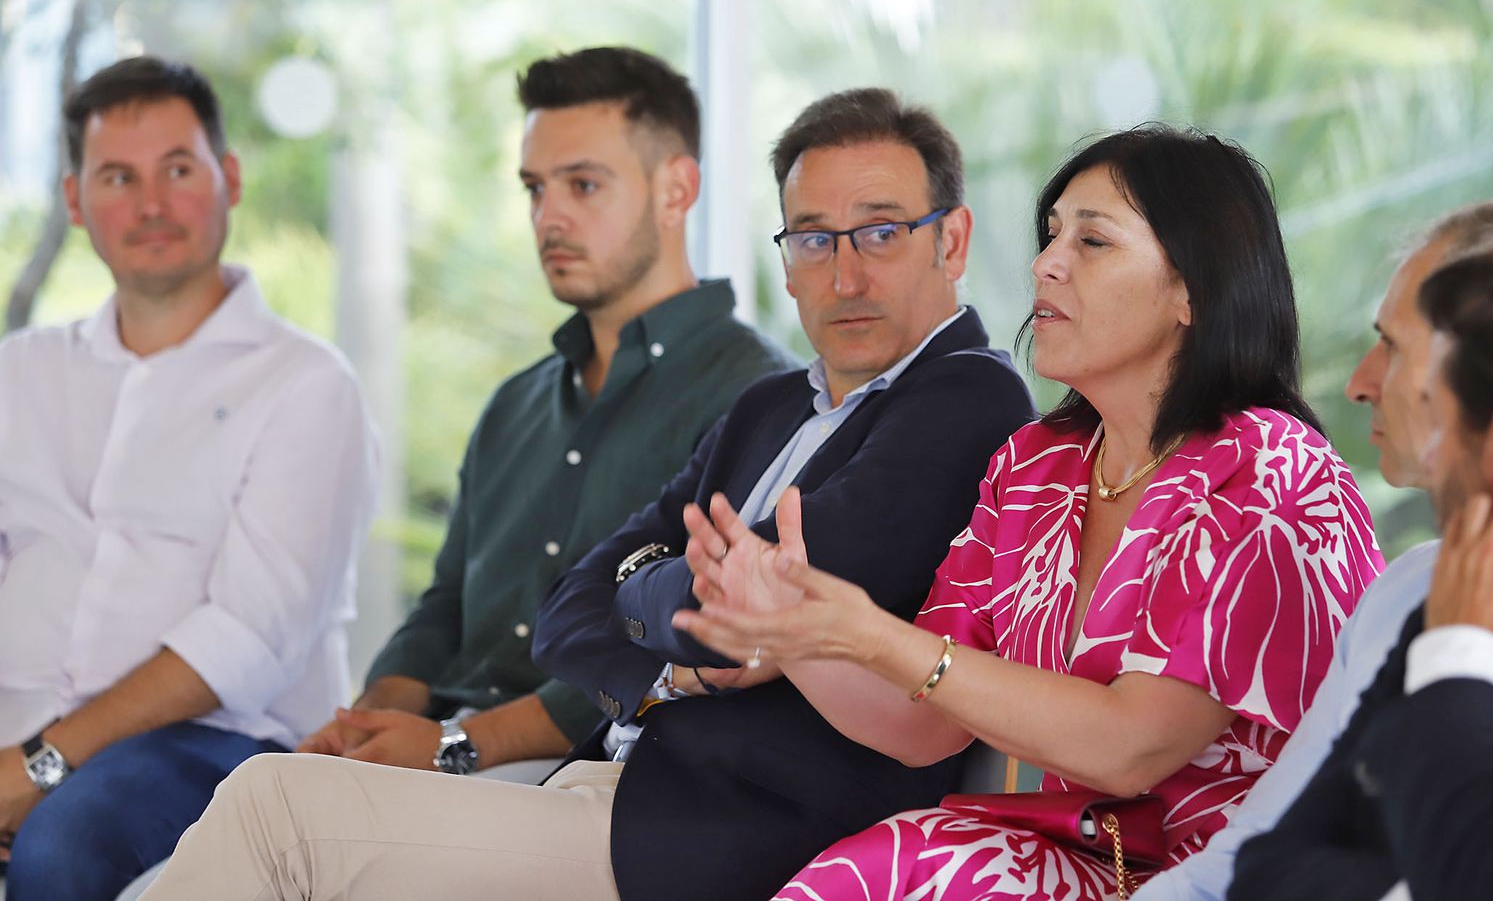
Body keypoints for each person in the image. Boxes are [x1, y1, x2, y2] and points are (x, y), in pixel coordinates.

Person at [141, 87, 1037, 901]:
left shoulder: (968, 396)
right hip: (613, 789)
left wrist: (666, 587)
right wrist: (681, 643)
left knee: (276, 809)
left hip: (733, 833)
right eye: (813, 238)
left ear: (951, 241)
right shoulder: (767, 408)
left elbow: (755, 592)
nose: (845, 276)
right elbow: (572, 603)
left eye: (881, 233)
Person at [673, 125, 1386, 900]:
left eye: (1093, 241)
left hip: (1258, 880)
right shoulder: (1035, 465)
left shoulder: (1272, 468)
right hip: (1099, 867)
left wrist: (873, 634)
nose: (1047, 263)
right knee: (887, 865)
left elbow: (1131, 747)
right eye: (1052, 236)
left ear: (1192, 289)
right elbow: (921, 726)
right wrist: (800, 632)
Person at [294, 46, 792, 779]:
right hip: (449, 755)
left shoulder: (758, 398)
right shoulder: (515, 405)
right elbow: (446, 606)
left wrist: (453, 745)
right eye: (534, 188)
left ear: (676, 189)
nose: (548, 217)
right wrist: (368, 725)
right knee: (264, 793)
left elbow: (688, 642)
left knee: (259, 809)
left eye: (583, 185)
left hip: (604, 770)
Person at [0, 56, 379, 901]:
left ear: (229, 179)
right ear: (74, 201)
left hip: (215, 743)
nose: (151, 204)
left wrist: (40, 764)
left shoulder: (307, 386)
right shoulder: (19, 373)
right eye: (118, 177)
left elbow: (244, 639)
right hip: (17, 730)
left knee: (63, 850)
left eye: (177, 169)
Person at [1133, 198, 1493, 901]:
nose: (1359, 384)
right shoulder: (1419, 594)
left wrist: (1462, 651)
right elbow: (1261, 865)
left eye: (1396, 348)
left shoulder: (1448, 620)